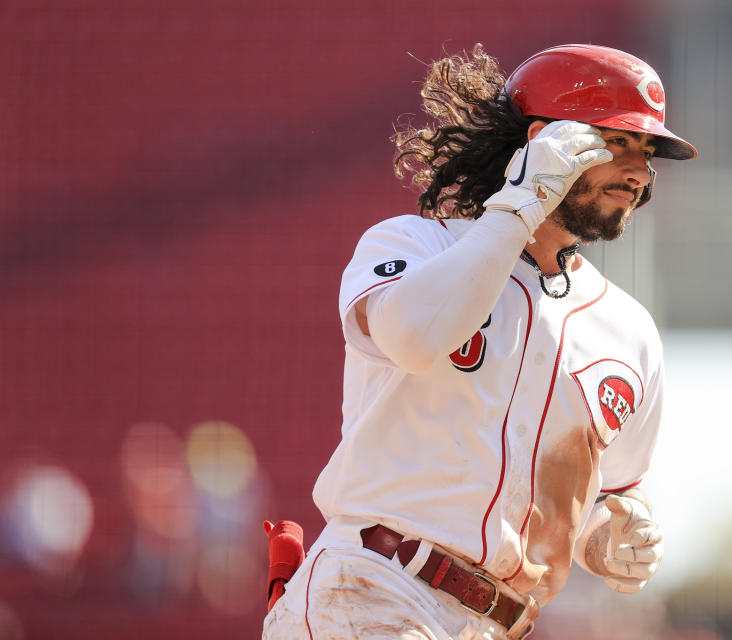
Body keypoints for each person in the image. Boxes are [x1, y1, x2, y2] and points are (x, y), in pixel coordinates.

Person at [262, 43, 697, 640]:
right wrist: (521, 201)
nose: (639, 172)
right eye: (619, 143)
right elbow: (413, 337)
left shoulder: (629, 329)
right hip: (373, 586)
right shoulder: (415, 245)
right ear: (547, 140)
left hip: (495, 625)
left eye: (647, 153)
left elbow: (612, 494)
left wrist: (616, 535)